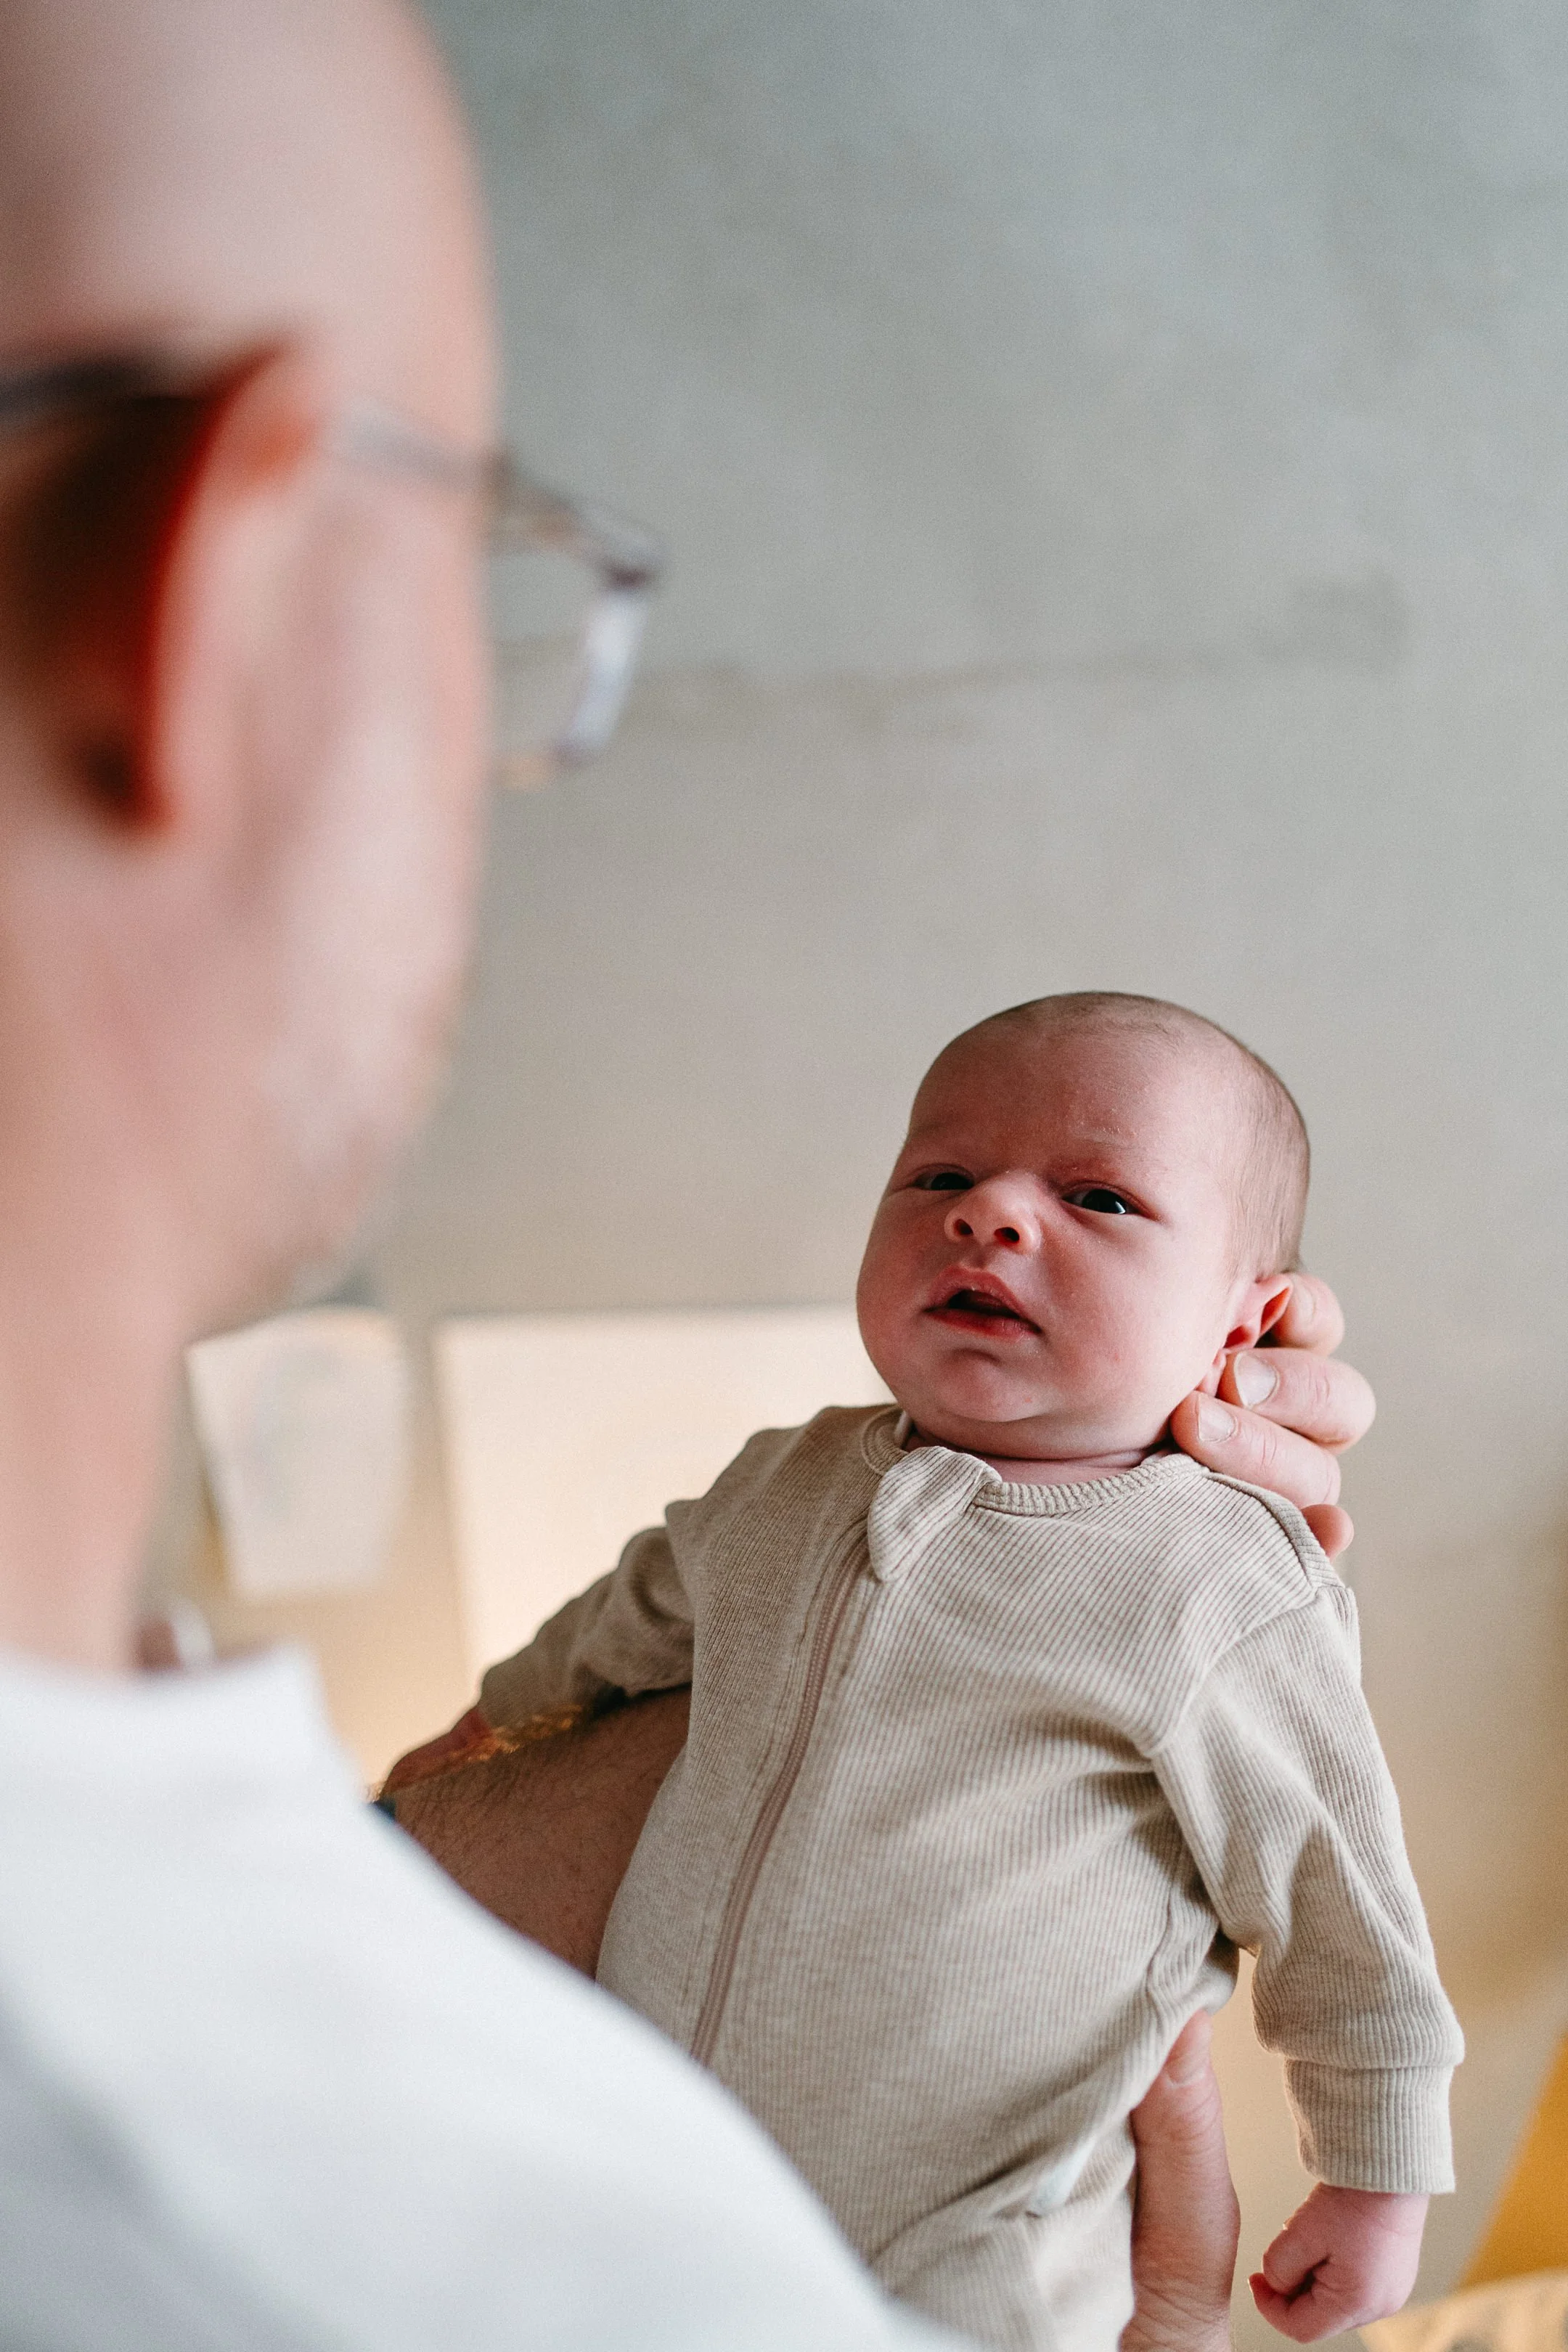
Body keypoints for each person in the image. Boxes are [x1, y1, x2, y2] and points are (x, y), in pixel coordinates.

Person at [0, 0, 1374, 2343]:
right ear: (212, 617)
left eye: (1105, 1205)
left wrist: (1042, 1641)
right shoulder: (498, 2260)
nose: (990, 1218)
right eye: (484, 563)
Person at [416, 994, 1455, 2352]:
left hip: (973, 2236)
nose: (990, 1215)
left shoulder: (1214, 1576)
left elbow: (1339, 1885)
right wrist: (488, 1719)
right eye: (941, 1176)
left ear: (1243, 1331)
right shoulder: (784, 1478)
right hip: (647, 2172)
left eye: (1101, 1196)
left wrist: (1376, 2173)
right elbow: (627, 1617)